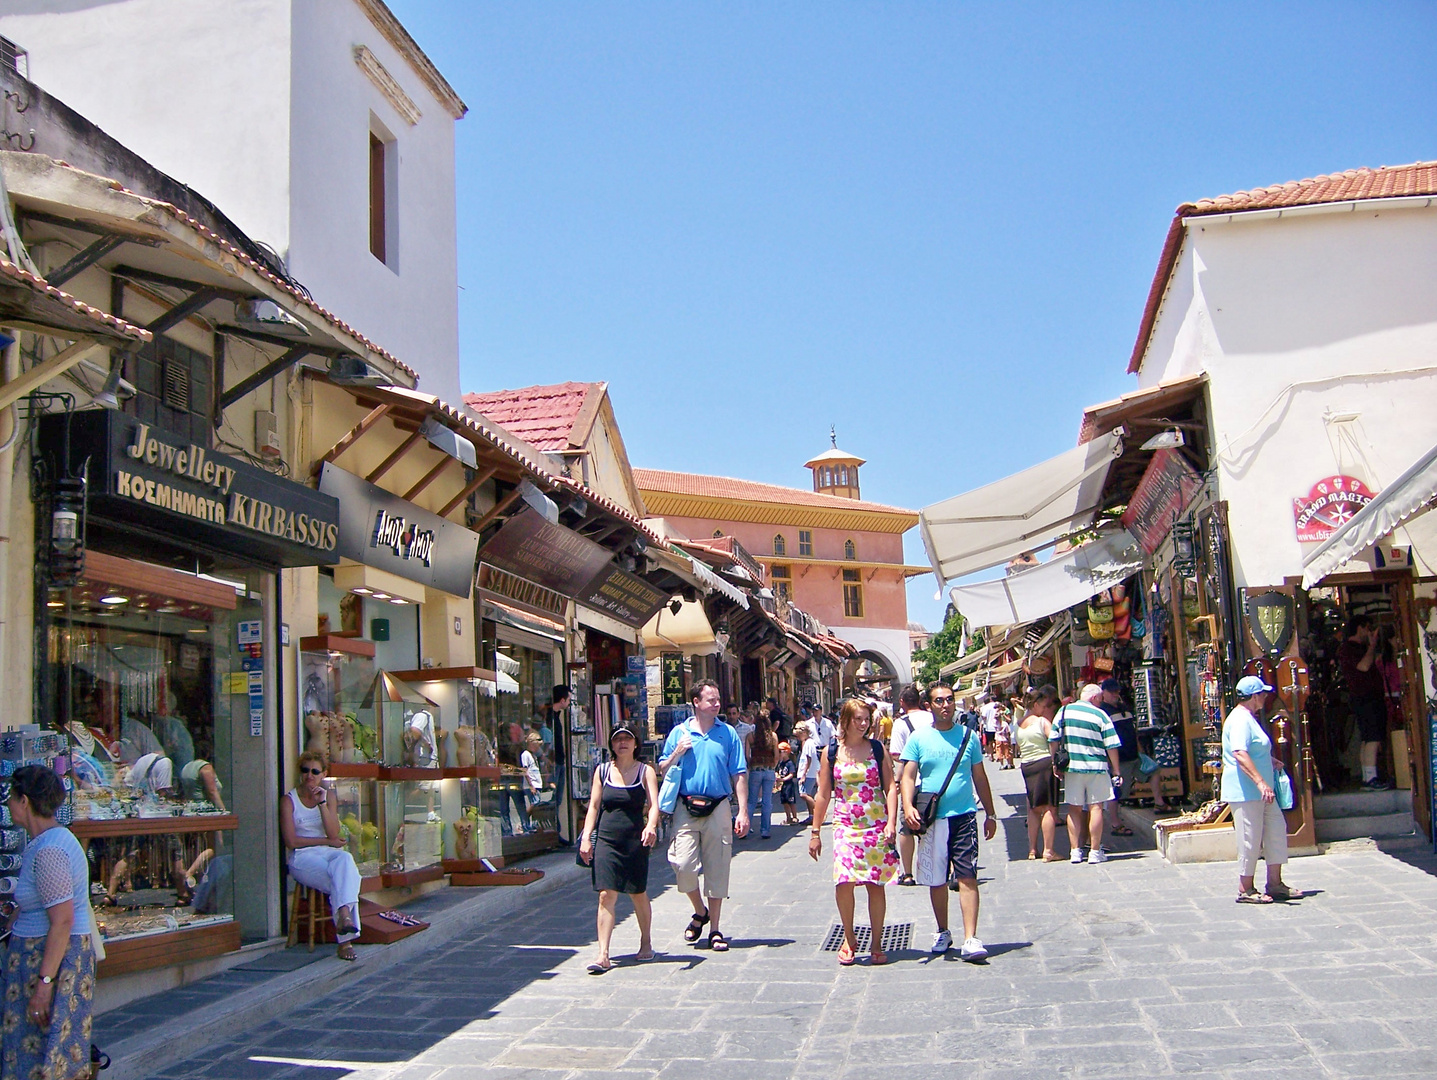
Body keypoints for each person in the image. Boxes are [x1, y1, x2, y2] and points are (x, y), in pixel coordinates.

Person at [1, 765, 98, 1080]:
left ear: (25, 801)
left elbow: (62, 920)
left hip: (49, 961)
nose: (7, 805)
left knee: (46, 1057)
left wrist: (44, 985)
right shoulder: (46, 843)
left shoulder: (51, 850)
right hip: (40, 959)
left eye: (11, 798)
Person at [899, 681, 997, 960]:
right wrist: (907, 806)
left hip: (964, 816)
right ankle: (943, 930)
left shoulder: (969, 736)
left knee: (967, 875)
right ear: (929, 706)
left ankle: (971, 938)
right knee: (937, 879)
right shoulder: (919, 738)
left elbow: (980, 776)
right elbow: (907, 776)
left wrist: (990, 813)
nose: (946, 705)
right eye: (939, 701)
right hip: (934, 819)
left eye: (950, 700)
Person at [660, 679, 749, 952]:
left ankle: (715, 929)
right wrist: (677, 751)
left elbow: (739, 773)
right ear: (696, 703)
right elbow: (662, 768)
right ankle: (700, 911)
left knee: (718, 866)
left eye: (718, 699)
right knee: (683, 865)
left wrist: (743, 811)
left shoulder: (728, 733)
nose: (717, 703)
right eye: (711, 699)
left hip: (719, 805)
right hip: (686, 807)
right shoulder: (679, 732)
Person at [809, 698, 898, 965]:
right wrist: (815, 832)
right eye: (857, 719)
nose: (863, 724)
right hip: (845, 826)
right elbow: (823, 794)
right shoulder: (831, 752)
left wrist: (892, 822)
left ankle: (877, 941)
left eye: (866, 719)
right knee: (843, 882)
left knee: (874, 884)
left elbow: (891, 787)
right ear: (845, 721)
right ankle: (849, 937)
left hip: (875, 825)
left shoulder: (877, 749)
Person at [578, 725, 660, 972]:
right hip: (607, 839)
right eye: (617, 739)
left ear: (636, 743)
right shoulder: (602, 771)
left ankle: (646, 941)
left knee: (637, 893)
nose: (622, 743)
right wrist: (586, 836)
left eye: (627, 738)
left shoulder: (645, 772)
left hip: (635, 840)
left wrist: (652, 826)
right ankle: (603, 954)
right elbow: (593, 806)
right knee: (606, 894)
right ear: (612, 745)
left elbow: (654, 804)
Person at [1223, 675, 1306, 904]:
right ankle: (1245, 887)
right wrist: (1260, 781)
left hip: (1262, 791)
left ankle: (1275, 882)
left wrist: (1269, 761)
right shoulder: (1240, 719)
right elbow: (1240, 753)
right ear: (1254, 696)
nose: (1266, 696)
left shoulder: (1249, 718)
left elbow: (1253, 749)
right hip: (1247, 791)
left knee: (1276, 831)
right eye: (1263, 693)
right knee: (1250, 838)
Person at [280, 752, 362, 959]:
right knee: (343, 878)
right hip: (302, 857)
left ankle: (344, 917)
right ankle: (345, 940)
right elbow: (292, 842)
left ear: (323, 774)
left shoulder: (328, 797)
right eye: (305, 770)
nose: (309, 776)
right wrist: (326, 842)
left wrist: (322, 803)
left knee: (345, 861)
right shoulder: (289, 801)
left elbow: (333, 833)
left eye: (315, 771)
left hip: (328, 854)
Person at [1051, 684, 1122, 865]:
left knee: (1074, 808)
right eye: (1100, 699)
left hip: (1072, 768)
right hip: (1096, 768)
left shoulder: (1064, 711)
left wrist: (1055, 763)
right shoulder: (1100, 715)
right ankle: (1095, 851)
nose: (1101, 702)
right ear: (1094, 698)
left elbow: (1054, 739)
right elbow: (1111, 745)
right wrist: (1116, 770)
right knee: (1096, 808)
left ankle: (1075, 851)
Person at [1337, 614, 1393, 790]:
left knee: (1368, 738)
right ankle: (1371, 778)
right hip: (1366, 698)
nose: (1369, 632)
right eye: (1368, 628)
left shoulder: (1352, 648)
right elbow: (1363, 666)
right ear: (1360, 628)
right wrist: (1372, 646)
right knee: (1373, 738)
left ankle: (1368, 776)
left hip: (1366, 697)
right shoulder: (1349, 649)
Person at [889, 685, 933, 886]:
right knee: (934, 825)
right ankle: (940, 867)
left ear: (902, 702)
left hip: (912, 781)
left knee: (907, 827)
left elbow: (897, 754)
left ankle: (907, 873)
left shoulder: (901, 723)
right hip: (935, 780)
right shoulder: (932, 717)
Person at [1016, 685, 1063, 861]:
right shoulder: (1042, 722)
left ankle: (1032, 849)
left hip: (1027, 766)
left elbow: (1020, 746)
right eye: (1043, 706)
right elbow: (1054, 738)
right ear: (1035, 705)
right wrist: (1055, 760)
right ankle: (1049, 851)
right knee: (1049, 808)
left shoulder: (1019, 724)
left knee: (1033, 809)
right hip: (1044, 764)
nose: (1045, 710)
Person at [1099, 678, 1138, 838]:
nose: (1116, 694)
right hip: (1117, 758)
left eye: (1117, 691)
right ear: (1104, 693)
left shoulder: (1124, 708)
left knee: (1152, 772)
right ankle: (1115, 823)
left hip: (1133, 755)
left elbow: (1132, 731)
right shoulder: (1103, 712)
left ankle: (1159, 803)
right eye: (1112, 691)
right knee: (1115, 791)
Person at [746, 712, 778, 839]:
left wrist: (751, 765)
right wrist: (773, 766)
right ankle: (765, 829)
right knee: (767, 801)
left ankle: (746, 828)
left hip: (755, 769)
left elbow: (747, 755)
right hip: (769, 769)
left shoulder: (750, 736)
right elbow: (776, 756)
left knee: (751, 801)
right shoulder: (773, 736)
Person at [796, 722, 820, 823]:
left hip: (808, 774)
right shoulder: (806, 742)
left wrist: (804, 775)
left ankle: (819, 811)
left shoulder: (809, 743)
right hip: (806, 772)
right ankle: (812, 815)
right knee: (807, 794)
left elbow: (809, 759)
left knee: (803, 794)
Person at [521, 732, 545, 831]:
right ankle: (525, 822)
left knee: (537, 804)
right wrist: (531, 785)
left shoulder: (533, 755)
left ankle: (534, 825)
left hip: (537, 783)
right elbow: (525, 771)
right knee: (535, 804)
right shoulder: (525, 755)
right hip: (532, 784)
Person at [776, 742, 799, 825]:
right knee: (785, 802)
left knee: (791, 801)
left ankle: (795, 817)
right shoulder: (780, 763)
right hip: (782, 786)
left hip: (788, 785)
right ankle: (788, 817)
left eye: (780, 751)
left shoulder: (790, 763)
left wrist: (783, 779)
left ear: (786, 752)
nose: (779, 753)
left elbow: (791, 774)